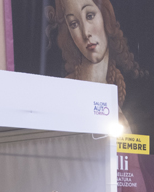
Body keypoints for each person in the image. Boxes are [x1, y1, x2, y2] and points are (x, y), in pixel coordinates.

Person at [50, 0, 144, 132]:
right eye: (74, 24)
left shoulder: (116, 102)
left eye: (90, 16)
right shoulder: (65, 93)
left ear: (106, 16)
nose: (85, 32)